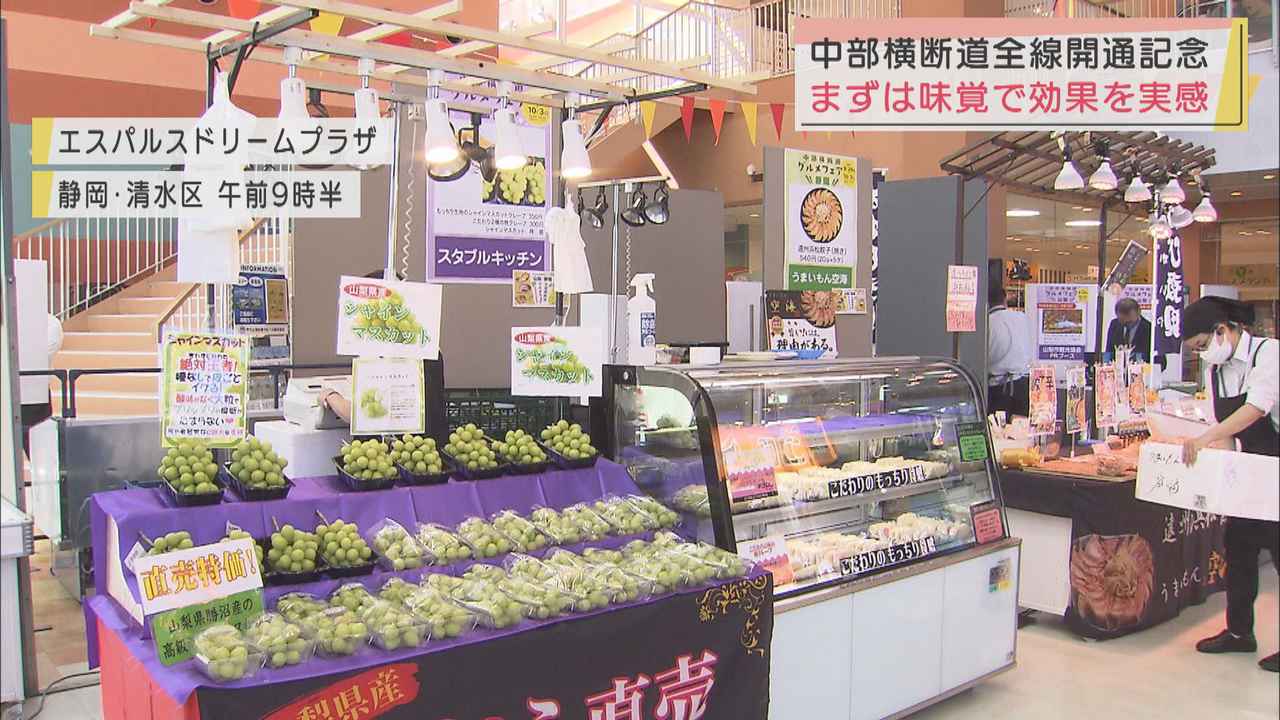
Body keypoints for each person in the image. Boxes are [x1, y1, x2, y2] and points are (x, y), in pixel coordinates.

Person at [1179, 296, 1278, 673]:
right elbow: (1227, 430)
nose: (1203, 354)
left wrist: (1204, 439)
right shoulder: (1216, 369)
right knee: (1239, 549)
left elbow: (1256, 409)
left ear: (1223, 329)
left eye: (1204, 345)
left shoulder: (1268, 354)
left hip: (1276, 466)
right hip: (1249, 472)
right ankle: (1239, 633)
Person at [987, 283, 1034, 417]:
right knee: (1021, 429)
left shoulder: (988, 322)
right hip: (1024, 384)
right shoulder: (1021, 317)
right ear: (1005, 298)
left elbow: (988, 356)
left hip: (999, 388)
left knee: (998, 432)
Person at [1105, 297, 1153, 363]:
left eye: (1130, 322)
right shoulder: (1114, 324)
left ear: (1139, 312)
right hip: (1118, 368)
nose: (1127, 325)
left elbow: (1157, 359)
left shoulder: (1149, 328)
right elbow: (1109, 351)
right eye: (1123, 322)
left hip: (1140, 369)